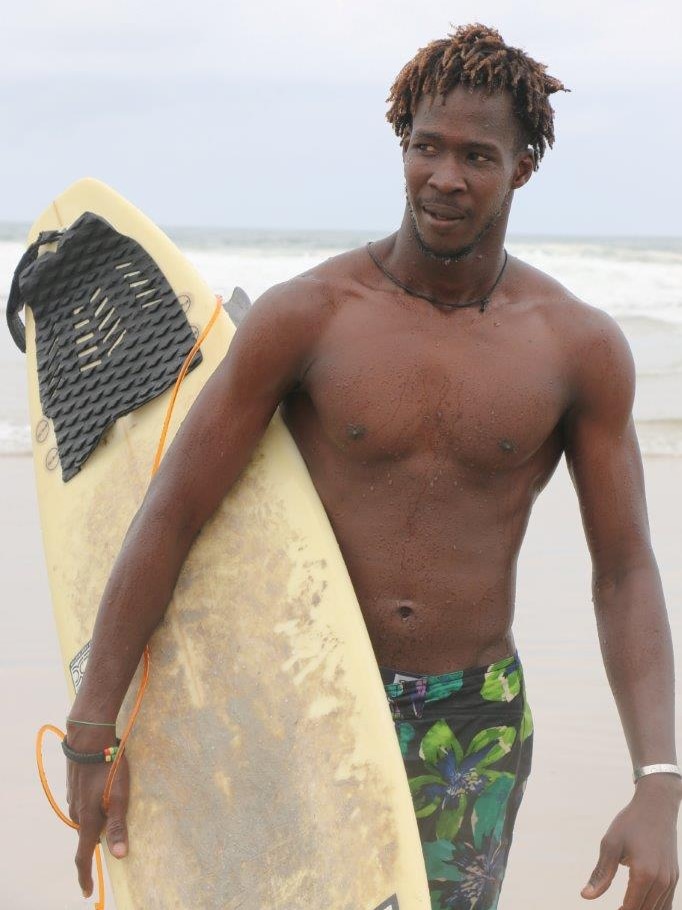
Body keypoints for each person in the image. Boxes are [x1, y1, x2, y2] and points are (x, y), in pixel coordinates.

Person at [65, 23, 680, 910]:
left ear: (522, 169)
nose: (444, 177)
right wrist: (93, 730)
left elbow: (625, 569)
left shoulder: (576, 347)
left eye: (477, 155)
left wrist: (658, 778)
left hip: (470, 725)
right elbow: (171, 509)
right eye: (426, 146)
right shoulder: (306, 317)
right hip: (299, 692)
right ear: (402, 143)